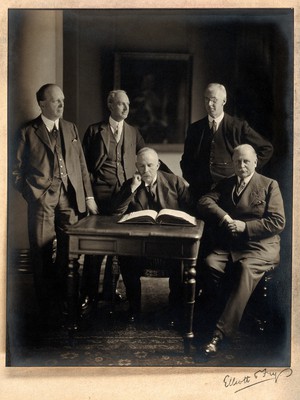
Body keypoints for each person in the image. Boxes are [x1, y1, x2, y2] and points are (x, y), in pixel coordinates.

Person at [12, 83, 98, 318]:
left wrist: (88, 196)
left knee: (69, 251)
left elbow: (81, 166)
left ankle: (65, 299)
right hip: (42, 199)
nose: (61, 104)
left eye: (62, 100)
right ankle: (46, 308)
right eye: (56, 100)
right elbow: (15, 171)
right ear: (42, 103)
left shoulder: (71, 129)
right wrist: (32, 194)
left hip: (70, 198)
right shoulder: (28, 131)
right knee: (41, 253)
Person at [196, 144, 285, 356]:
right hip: (232, 246)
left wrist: (246, 226)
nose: (242, 165)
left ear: (255, 162)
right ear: (233, 163)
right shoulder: (226, 184)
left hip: (261, 247)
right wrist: (225, 217)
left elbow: (278, 222)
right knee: (209, 263)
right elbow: (204, 201)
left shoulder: (269, 185)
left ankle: (219, 334)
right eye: (237, 161)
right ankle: (221, 311)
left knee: (245, 270)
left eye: (246, 161)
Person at [80, 89, 145, 313]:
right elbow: (83, 168)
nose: (126, 108)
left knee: (120, 246)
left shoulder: (133, 131)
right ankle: (87, 295)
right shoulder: (94, 130)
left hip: (124, 198)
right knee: (95, 248)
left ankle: (110, 290)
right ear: (110, 105)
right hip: (99, 197)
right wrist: (88, 197)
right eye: (121, 104)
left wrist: (171, 178)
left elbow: (147, 157)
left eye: (127, 104)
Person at [112, 147, 193, 323]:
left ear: (157, 165)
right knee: (125, 256)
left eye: (150, 165)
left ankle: (174, 309)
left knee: (180, 260)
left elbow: (191, 213)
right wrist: (132, 189)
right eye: (141, 166)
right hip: (141, 244)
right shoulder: (131, 184)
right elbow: (117, 213)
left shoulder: (175, 182)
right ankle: (134, 308)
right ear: (136, 166)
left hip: (170, 243)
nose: (146, 170)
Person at [180, 83, 274, 201]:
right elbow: (186, 161)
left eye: (214, 100)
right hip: (200, 192)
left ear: (224, 101)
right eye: (206, 99)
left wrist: (247, 170)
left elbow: (266, 148)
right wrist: (193, 181)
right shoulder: (195, 129)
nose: (209, 104)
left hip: (230, 192)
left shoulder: (238, 127)